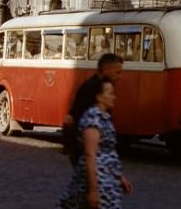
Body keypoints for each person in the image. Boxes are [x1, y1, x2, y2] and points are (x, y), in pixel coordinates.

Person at [57, 77, 133, 209]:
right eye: (110, 93)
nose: (114, 97)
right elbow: (90, 153)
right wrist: (93, 189)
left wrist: (119, 177)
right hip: (98, 178)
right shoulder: (94, 117)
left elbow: (108, 151)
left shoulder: (104, 117)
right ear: (99, 97)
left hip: (107, 177)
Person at [61, 53, 123, 166]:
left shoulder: (92, 85)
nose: (119, 76)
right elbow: (79, 116)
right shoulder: (94, 88)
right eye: (117, 72)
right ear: (106, 69)